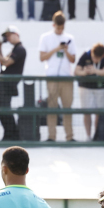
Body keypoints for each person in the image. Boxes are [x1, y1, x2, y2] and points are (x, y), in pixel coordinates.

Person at [39, 11, 76, 142]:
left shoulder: (70, 38)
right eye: (58, 27)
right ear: (53, 25)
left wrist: (65, 50)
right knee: (52, 108)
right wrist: (56, 49)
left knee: (67, 108)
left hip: (66, 78)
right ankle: (51, 136)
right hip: (52, 78)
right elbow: (42, 57)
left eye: (62, 27)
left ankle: (69, 137)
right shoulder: (45, 37)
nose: (60, 30)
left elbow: (73, 59)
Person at [0, 28, 26, 141]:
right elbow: (3, 61)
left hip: (8, 83)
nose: (8, 38)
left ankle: (13, 135)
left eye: (9, 36)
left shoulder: (20, 49)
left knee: (4, 109)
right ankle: (9, 134)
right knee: (0, 109)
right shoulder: (15, 49)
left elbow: (6, 62)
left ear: (16, 34)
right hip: (5, 82)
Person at [74, 43, 104, 141]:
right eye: (94, 57)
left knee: (99, 112)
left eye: (97, 59)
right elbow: (77, 71)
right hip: (85, 87)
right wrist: (85, 72)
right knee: (86, 111)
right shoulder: (85, 55)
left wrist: (95, 71)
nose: (95, 60)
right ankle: (88, 136)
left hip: (100, 87)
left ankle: (97, 135)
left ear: (102, 56)